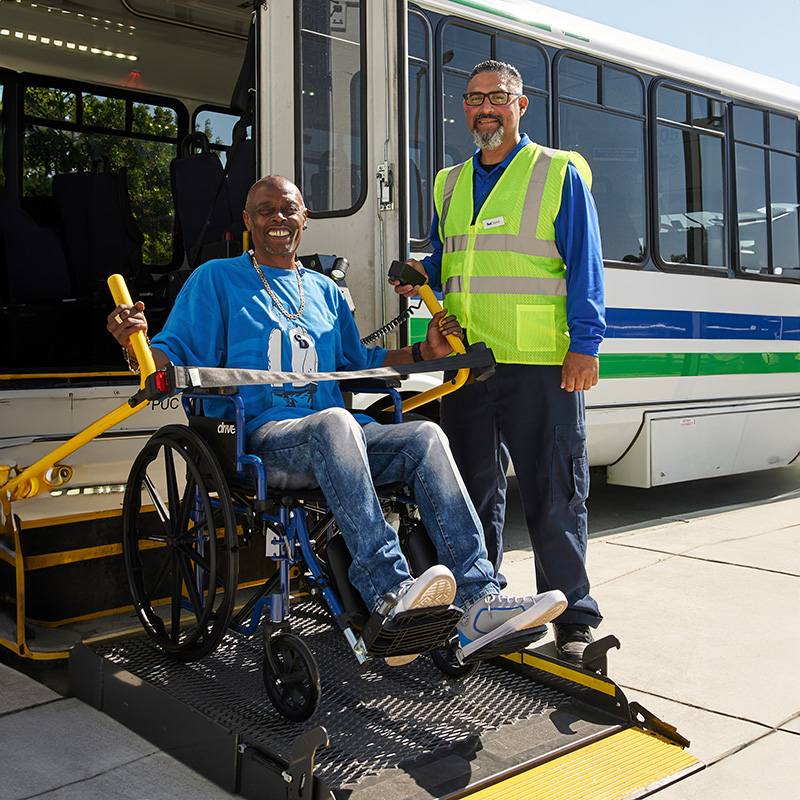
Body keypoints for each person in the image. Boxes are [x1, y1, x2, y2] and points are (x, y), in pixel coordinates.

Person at [108, 174, 567, 664]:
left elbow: (357, 364)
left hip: (338, 439)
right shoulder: (215, 280)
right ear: (247, 221)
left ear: (305, 219)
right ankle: (388, 592)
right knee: (337, 422)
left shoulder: (325, 291)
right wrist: (133, 343)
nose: (278, 219)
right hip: (261, 441)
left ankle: (479, 600)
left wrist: (421, 351)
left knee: (426, 436)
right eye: (265, 210)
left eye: (288, 209)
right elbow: (167, 354)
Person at [392, 60, 605, 664]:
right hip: (465, 365)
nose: (485, 108)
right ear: (464, 108)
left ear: (521, 105)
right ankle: (482, 607)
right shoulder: (449, 182)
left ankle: (574, 618)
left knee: (554, 491)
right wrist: (423, 273)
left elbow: (585, 263)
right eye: (474, 98)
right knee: (470, 492)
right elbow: (449, 254)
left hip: (541, 361)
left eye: (498, 98)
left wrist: (585, 344)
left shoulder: (557, 172)